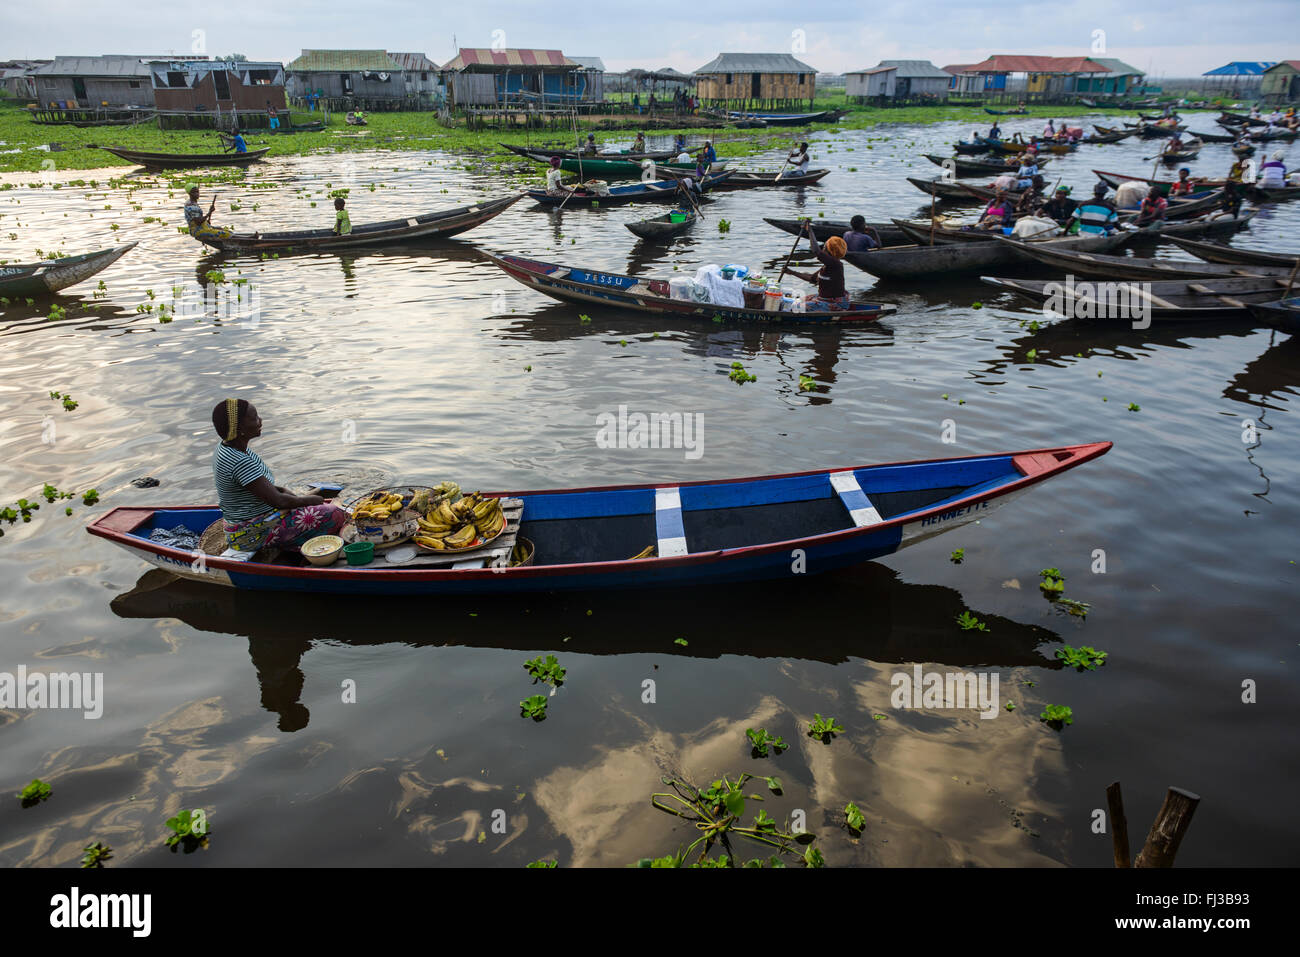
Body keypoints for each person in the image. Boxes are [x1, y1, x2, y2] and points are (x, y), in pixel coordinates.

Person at [211, 399, 348, 555]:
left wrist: (295, 498)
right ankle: (291, 546)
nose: (260, 421)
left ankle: (292, 541)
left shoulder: (226, 448)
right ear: (239, 428)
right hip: (251, 533)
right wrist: (312, 500)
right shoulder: (239, 460)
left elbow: (261, 487)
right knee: (335, 514)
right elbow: (278, 501)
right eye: (255, 418)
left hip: (246, 524)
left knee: (314, 507)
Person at [785, 225, 849, 309]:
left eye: (824, 247)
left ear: (828, 251)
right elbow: (812, 278)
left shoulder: (836, 265)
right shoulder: (827, 266)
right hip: (823, 300)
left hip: (835, 304)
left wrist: (810, 231)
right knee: (796, 301)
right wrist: (792, 272)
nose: (823, 249)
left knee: (796, 307)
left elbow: (816, 251)